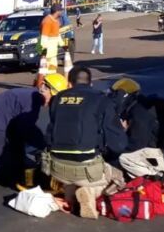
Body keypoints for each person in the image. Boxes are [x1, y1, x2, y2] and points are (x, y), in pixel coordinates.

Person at [45, 65, 128, 219]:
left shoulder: (57, 99)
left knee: (71, 168)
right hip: (86, 167)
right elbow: (118, 143)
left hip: (57, 168)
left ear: (69, 83)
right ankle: (91, 192)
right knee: (117, 177)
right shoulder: (101, 99)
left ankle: (70, 194)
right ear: (91, 83)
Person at [40, 4, 62, 72]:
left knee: (52, 70)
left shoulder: (55, 21)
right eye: (61, 10)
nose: (62, 12)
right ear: (57, 11)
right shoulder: (47, 21)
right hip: (48, 54)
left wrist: (62, 44)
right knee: (46, 71)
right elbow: (44, 37)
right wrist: (44, 52)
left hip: (53, 53)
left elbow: (57, 34)